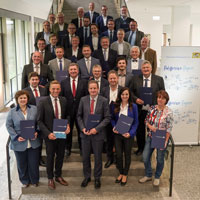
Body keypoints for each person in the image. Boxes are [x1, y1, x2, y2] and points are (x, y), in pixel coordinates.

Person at [77, 80, 111, 189]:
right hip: (85, 134)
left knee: (97, 157)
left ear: (98, 89)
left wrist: (97, 129)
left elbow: (107, 118)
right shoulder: (83, 100)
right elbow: (79, 116)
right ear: (88, 89)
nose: (93, 90)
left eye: (94, 88)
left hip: (98, 134)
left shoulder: (104, 101)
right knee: (85, 157)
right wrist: (82, 128)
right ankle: (87, 177)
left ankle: (97, 178)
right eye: (91, 88)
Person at [37, 80, 70, 190]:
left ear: (60, 89)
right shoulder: (43, 101)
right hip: (50, 134)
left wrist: (68, 125)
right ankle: (50, 178)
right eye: (53, 89)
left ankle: (58, 176)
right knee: (50, 157)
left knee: (60, 155)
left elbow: (68, 115)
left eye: (57, 89)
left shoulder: (64, 100)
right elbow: (39, 121)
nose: (55, 91)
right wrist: (48, 134)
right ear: (50, 89)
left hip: (61, 133)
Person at [130, 60, 165, 155]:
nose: (145, 69)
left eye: (147, 67)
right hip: (139, 109)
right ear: (141, 69)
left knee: (153, 130)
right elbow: (130, 92)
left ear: (151, 69)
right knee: (140, 130)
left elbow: (163, 94)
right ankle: (141, 149)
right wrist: (136, 99)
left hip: (153, 110)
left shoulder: (159, 79)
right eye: (144, 68)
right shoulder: (135, 79)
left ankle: (151, 150)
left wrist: (157, 105)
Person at [6, 90, 40, 187]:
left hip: (33, 141)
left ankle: (34, 180)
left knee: (34, 163)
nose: (23, 99)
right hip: (19, 142)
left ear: (27, 99)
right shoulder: (12, 112)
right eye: (20, 98)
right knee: (22, 164)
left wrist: (37, 132)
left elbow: (39, 122)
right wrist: (16, 136)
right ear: (17, 99)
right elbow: (9, 126)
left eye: (24, 98)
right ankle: (25, 181)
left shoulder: (34, 109)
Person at [139, 90, 173, 186]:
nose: (160, 100)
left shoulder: (169, 112)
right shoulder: (152, 108)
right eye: (159, 97)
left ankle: (157, 177)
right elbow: (146, 120)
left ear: (166, 100)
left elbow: (169, 128)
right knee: (145, 157)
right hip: (151, 136)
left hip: (161, 138)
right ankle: (148, 174)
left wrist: (166, 141)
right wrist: (150, 127)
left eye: (162, 98)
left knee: (160, 159)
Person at [111, 87, 138, 185]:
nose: (124, 96)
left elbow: (136, 122)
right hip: (118, 134)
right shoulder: (115, 105)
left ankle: (125, 174)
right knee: (118, 154)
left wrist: (130, 133)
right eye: (123, 94)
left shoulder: (133, 106)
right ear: (120, 95)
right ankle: (121, 172)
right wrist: (114, 126)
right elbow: (112, 119)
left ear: (129, 95)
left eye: (126, 94)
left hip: (128, 135)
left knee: (127, 154)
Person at [60, 63, 88, 156]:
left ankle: (82, 148)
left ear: (78, 70)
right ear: (68, 71)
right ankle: (67, 148)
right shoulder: (63, 82)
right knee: (68, 130)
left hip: (81, 111)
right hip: (68, 111)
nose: (73, 71)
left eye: (75, 69)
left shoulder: (84, 82)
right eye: (71, 69)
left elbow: (86, 97)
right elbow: (62, 98)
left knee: (81, 130)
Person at [24, 72, 47, 167]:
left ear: (39, 80)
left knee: (41, 138)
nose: (34, 81)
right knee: (35, 139)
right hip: (31, 118)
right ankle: (36, 159)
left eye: (36, 79)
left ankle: (40, 158)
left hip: (43, 117)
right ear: (29, 80)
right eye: (32, 79)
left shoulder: (44, 90)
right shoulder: (25, 91)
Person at [101, 70, 122, 168]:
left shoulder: (122, 90)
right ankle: (110, 158)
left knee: (118, 140)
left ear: (117, 79)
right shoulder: (104, 90)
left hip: (119, 119)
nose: (113, 80)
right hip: (107, 118)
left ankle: (118, 159)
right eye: (111, 78)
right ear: (108, 79)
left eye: (114, 78)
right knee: (108, 140)